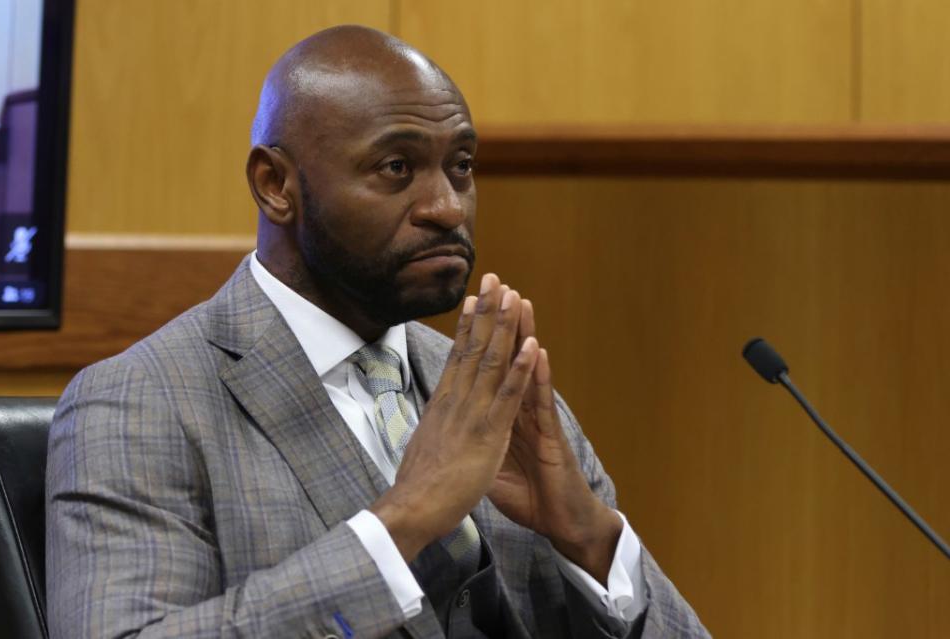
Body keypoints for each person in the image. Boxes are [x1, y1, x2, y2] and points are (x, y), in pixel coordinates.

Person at [46, 25, 709, 638]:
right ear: (276, 185)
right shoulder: (142, 400)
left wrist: (589, 538)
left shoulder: (496, 391)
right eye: (395, 168)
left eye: (461, 165)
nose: (446, 206)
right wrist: (402, 522)